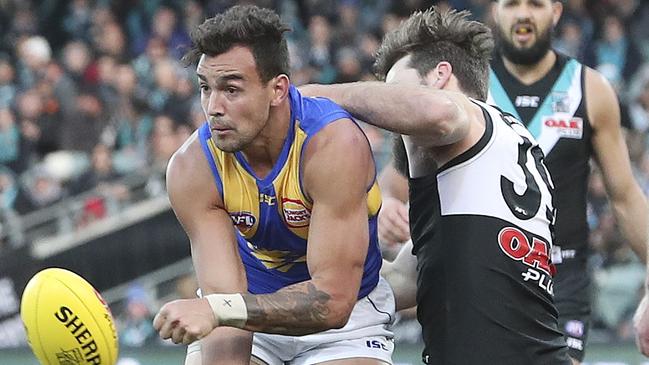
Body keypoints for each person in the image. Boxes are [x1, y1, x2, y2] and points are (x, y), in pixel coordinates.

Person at [377, 1, 649, 362]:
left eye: (535, 4)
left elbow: (626, 195)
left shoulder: (590, 89)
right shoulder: (467, 85)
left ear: (555, 11)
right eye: (512, 4)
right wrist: (385, 205)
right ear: (495, 12)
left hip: (557, 275)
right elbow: (398, 177)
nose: (523, 13)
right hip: (480, 273)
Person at [300, 7, 571, 364]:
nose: (392, 117)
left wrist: (307, 96)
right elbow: (404, 281)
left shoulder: (469, 114)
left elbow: (438, 114)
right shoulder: (488, 163)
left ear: (442, 76)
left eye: (395, 91)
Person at [151, 5, 394, 365]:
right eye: (205, 88)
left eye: (231, 89)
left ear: (278, 89)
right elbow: (224, 300)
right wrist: (219, 311)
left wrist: (221, 309)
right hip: (242, 308)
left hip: (346, 321)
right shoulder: (192, 168)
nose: (213, 107)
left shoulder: (332, 145)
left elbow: (333, 302)